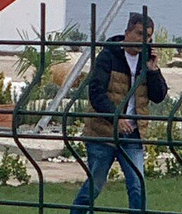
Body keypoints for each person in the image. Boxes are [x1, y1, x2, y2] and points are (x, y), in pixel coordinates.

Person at [69, 12, 168, 214]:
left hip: (133, 133)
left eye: (148, 36)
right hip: (102, 133)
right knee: (95, 184)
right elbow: (96, 94)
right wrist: (116, 118)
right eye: (139, 34)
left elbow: (158, 96)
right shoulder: (108, 56)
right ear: (127, 33)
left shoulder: (145, 61)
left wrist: (153, 71)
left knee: (137, 185)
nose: (144, 40)